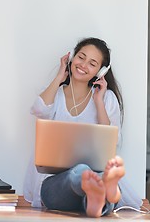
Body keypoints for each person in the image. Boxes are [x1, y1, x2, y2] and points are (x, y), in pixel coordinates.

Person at [23, 37, 142, 217]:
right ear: (71, 58)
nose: (83, 65)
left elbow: (112, 142)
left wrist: (99, 102)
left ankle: (96, 202)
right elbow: (39, 110)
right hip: (55, 184)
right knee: (80, 173)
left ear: (101, 71)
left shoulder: (106, 99)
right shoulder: (56, 94)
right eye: (81, 57)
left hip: (93, 177)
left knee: (89, 176)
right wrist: (59, 77)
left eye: (92, 63)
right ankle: (105, 190)